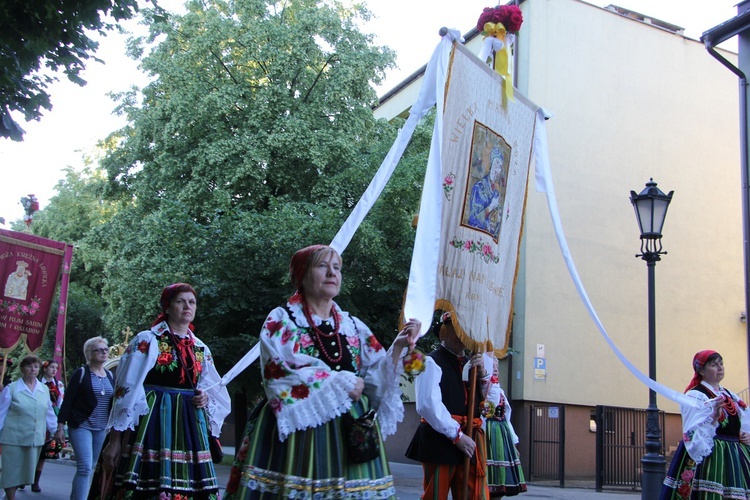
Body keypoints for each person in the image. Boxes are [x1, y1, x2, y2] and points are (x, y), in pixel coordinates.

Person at [224, 244, 420, 499]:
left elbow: (374, 378)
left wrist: (399, 346)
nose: (332, 273)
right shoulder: (282, 319)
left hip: (349, 431)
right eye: (322, 266)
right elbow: (279, 371)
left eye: (336, 268)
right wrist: (339, 382)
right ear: (302, 276)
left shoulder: (353, 326)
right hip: (299, 429)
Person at [97, 283, 231, 499]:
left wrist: (205, 397)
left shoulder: (200, 348)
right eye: (180, 301)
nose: (187, 306)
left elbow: (212, 388)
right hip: (152, 423)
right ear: (167, 308)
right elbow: (126, 391)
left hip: (189, 427)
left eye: (192, 302)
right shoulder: (147, 341)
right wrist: (114, 441)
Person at [405, 312, 492, 500]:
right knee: (436, 495)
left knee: (472, 494)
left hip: (470, 436)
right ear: (443, 333)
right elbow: (427, 405)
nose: (460, 337)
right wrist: (457, 436)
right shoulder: (428, 361)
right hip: (440, 440)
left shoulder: (472, 365)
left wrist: (483, 374)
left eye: (464, 333)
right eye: (455, 331)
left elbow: (487, 402)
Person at [660, 350, 750, 499]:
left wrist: (744, 434)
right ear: (701, 370)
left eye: (721, 364)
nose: (720, 368)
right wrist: (713, 417)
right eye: (714, 365)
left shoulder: (729, 395)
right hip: (711, 454)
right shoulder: (695, 396)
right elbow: (692, 430)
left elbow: (740, 422)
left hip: (734, 453)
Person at [56, 338, 115, 500]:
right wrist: (60, 426)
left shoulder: (110, 375)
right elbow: (67, 401)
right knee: (84, 467)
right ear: (90, 353)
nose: (104, 352)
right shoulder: (81, 374)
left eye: (105, 349)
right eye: (99, 350)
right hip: (81, 425)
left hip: (101, 428)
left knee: (91, 466)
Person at [0, 355, 57, 500]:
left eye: (36, 366)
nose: (33, 369)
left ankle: (8, 496)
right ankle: (11, 497)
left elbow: (49, 412)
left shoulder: (44, 389)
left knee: (25, 473)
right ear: (22, 369)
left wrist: (57, 430)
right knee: (11, 472)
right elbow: (1, 413)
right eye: (29, 366)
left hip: (34, 438)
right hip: (13, 438)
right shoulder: (11, 389)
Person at [482, 355, 526, 497]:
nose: (495, 369)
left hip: (501, 433)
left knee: (501, 481)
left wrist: (513, 442)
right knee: (486, 478)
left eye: (497, 367)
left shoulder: (499, 391)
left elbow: (506, 417)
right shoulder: (485, 389)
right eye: (492, 366)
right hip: (487, 432)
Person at [30, 359, 66, 492]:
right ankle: (24, 477)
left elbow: (61, 402)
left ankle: (35, 481)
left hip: (52, 419)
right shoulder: (38, 383)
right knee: (32, 449)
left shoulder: (59, 384)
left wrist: (60, 421)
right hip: (38, 418)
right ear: (45, 368)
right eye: (52, 367)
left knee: (44, 453)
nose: (54, 370)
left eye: (56, 368)